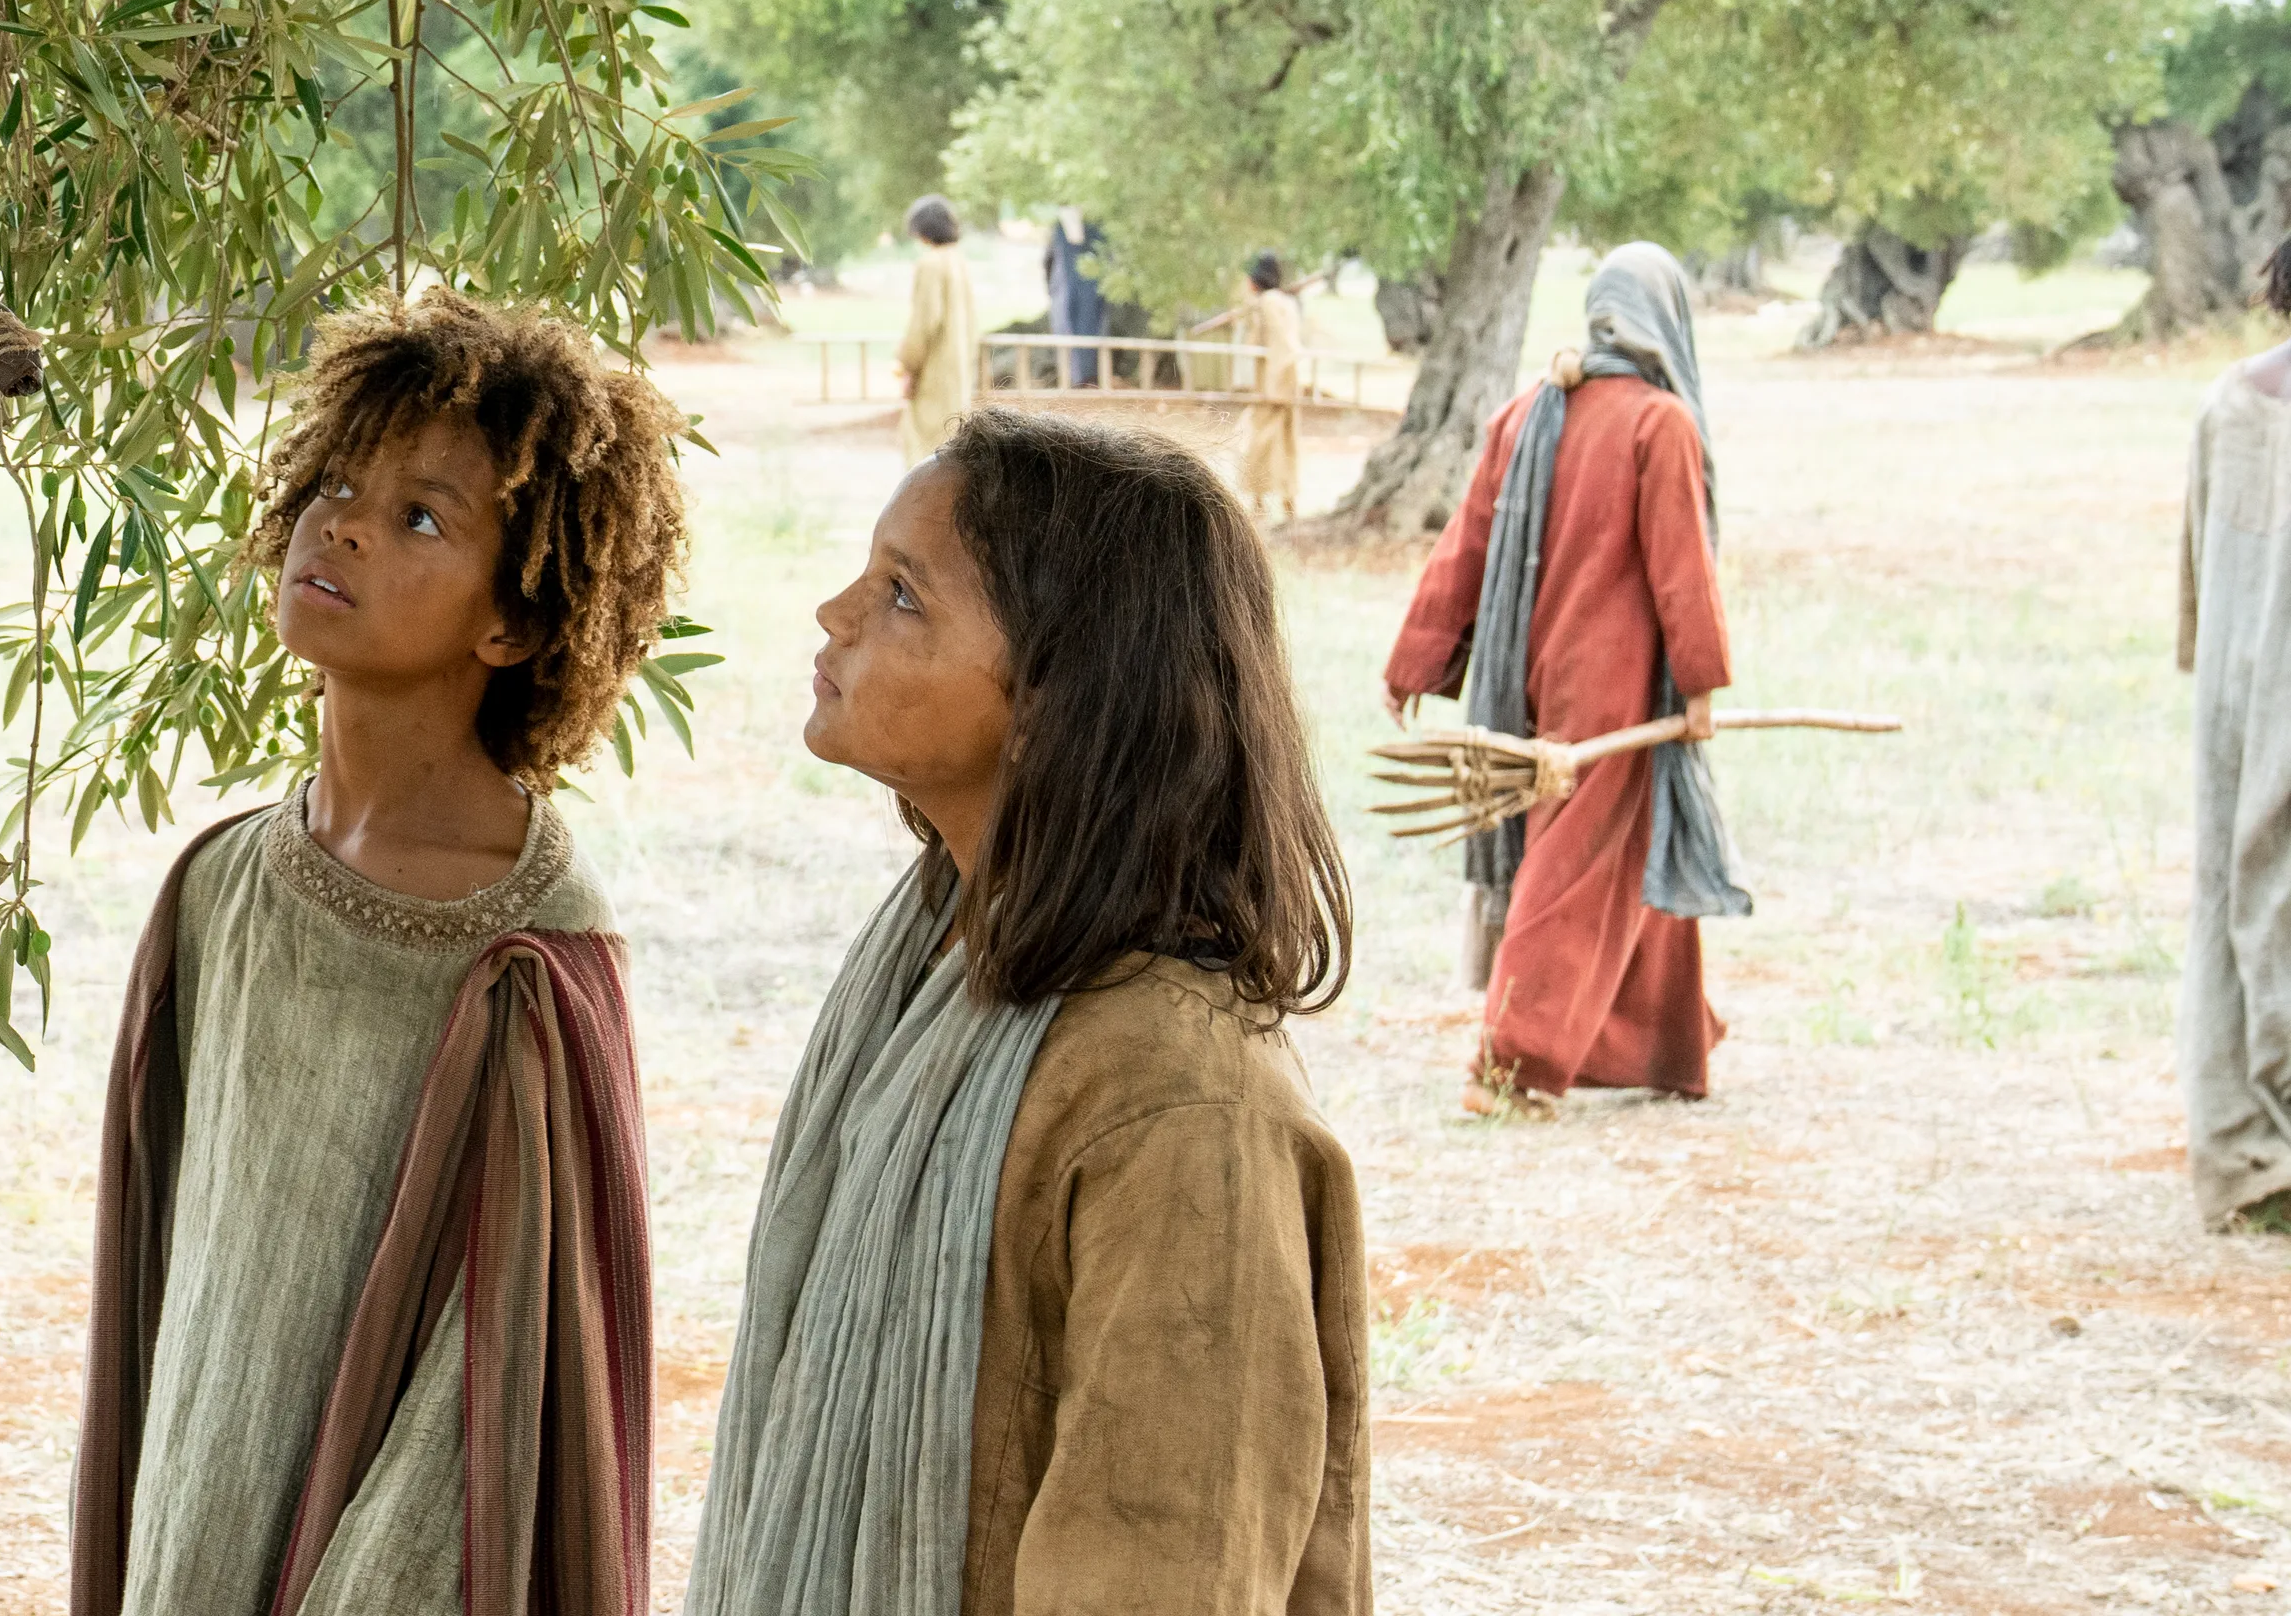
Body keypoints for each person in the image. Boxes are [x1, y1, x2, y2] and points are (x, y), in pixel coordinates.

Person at [688, 410, 1365, 1616]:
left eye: (902, 594)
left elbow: (1165, 1575)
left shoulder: (1176, 1107)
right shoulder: (930, 959)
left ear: (1061, 695)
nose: (835, 611)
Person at [75, 291, 683, 1616]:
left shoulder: (529, 962)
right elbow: (164, 1302)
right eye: (338, 482)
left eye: (422, 516)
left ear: (512, 622)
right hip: (199, 1521)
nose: (340, 523)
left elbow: (492, 1405)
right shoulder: (218, 886)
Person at [1385, 243, 1738, 1113]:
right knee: (1577, 863)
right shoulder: (1659, 424)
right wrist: (1698, 686)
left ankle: (1665, 1043)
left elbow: (1465, 546)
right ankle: (1513, 1064)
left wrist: (1417, 662)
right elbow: (1680, 570)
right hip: (1611, 687)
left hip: (1528, 676)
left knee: (1630, 848)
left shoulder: (1525, 414)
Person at [2181, 238, 2291, 1230]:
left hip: (2234, 694)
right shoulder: (2231, 406)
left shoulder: (2229, 400)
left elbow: (2197, 552)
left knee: (2231, 891)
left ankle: (2245, 1147)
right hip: (2259, 689)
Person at [896, 195, 981, 457]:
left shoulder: (931, 264)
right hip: (959, 370)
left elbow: (924, 322)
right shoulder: (960, 261)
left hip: (934, 372)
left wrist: (907, 365)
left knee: (926, 452)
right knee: (954, 445)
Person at [1236, 251, 1305, 524]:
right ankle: (1289, 501)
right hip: (1289, 381)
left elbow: (1266, 344)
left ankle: (1259, 501)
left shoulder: (1264, 304)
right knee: (1287, 442)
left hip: (1272, 383)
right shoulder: (1287, 303)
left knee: (1261, 442)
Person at [1047, 207, 1109, 388]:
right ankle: (1077, 376)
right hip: (1069, 291)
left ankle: (1085, 376)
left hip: (1087, 293)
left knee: (1089, 325)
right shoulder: (1061, 231)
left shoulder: (1096, 230)